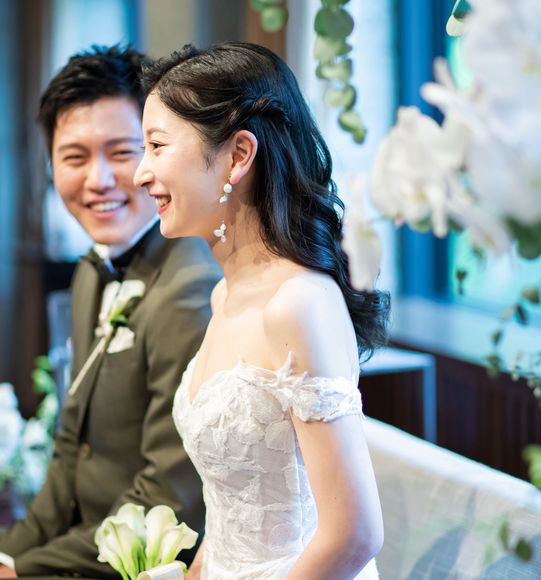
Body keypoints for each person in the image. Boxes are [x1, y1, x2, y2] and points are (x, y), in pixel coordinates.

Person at [134, 41, 390, 579]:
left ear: (239, 155)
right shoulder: (224, 294)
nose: (140, 173)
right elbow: (229, 509)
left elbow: (355, 534)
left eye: (156, 146)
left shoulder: (299, 303)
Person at [0, 46, 221, 578]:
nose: (97, 180)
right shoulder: (89, 272)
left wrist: (27, 571)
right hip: (80, 548)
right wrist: (10, 554)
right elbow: (69, 449)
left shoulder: (191, 288)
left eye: (122, 152)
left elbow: (172, 497)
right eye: (74, 157)